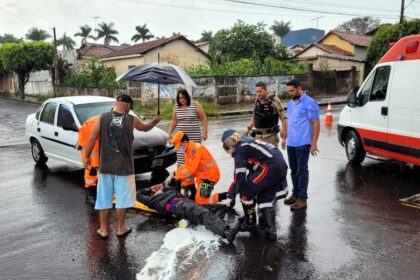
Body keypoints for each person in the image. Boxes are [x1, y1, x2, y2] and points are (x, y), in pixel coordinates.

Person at [84, 94, 161, 239]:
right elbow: (145, 128)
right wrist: (155, 121)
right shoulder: (131, 120)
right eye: (131, 107)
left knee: (104, 198)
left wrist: (87, 156)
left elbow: (92, 137)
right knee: (121, 199)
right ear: (128, 105)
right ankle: (120, 228)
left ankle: (104, 230)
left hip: (106, 166)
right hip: (124, 168)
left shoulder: (102, 117)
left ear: (117, 103)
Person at [221, 129, 288, 240]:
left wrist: (231, 197)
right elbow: (252, 168)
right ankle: (271, 231)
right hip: (279, 164)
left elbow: (239, 177)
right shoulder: (246, 141)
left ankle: (250, 222)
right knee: (264, 195)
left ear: (230, 146)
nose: (229, 154)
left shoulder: (239, 150)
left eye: (228, 151)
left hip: (270, 167)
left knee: (245, 191)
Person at [137, 182, 241, 243]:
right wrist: (150, 189)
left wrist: (163, 186)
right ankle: (227, 233)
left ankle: (212, 223)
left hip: (188, 203)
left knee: (218, 207)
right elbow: (138, 194)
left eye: (157, 187)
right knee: (202, 213)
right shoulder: (154, 201)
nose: (156, 188)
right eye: (154, 190)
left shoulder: (169, 191)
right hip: (179, 207)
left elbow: (175, 186)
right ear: (152, 194)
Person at [283, 79, 320, 210]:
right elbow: (289, 121)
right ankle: (295, 193)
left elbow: (316, 123)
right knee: (293, 169)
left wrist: (314, 143)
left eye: (292, 91)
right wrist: (284, 138)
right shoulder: (290, 103)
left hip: (304, 142)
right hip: (291, 142)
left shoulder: (310, 103)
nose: (290, 93)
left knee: (302, 170)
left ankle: (302, 199)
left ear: (299, 88)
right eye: (289, 91)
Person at [171, 131, 225, 204]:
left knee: (200, 201)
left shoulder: (194, 150)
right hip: (202, 175)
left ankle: (226, 195)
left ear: (184, 142)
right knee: (182, 169)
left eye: (180, 146)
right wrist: (176, 173)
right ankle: (194, 193)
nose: (179, 149)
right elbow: (188, 167)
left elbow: (191, 170)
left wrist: (176, 176)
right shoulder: (188, 148)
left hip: (210, 177)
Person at [167, 89, 208, 166]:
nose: (182, 100)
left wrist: (205, 132)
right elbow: (174, 120)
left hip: (194, 137)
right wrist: (169, 133)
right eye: (180, 98)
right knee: (182, 159)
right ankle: (182, 177)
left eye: (183, 97)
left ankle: (196, 176)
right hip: (181, 139)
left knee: (195, 158)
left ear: (187, 97)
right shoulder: (176, 106)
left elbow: (203, 118)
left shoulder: (195, 104)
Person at [244, 81, 288, 148]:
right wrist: (248, 128)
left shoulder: (274, 100)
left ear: (266, 90)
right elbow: (254, 118)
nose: (258, 94)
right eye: (257, 92)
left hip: (270, 137)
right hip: (258, 137)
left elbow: (283, 116)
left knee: (272, 156)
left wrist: (284, 130)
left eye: (260, 91)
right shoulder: (257, 101)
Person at [77, 115, 100, 206]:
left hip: (93, 138)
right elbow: (92, 139)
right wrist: (87, 157)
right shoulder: (102, 123)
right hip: (87, 139)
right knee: (92, 168)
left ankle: (99, 191)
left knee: (98, 167)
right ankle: (91, 194)